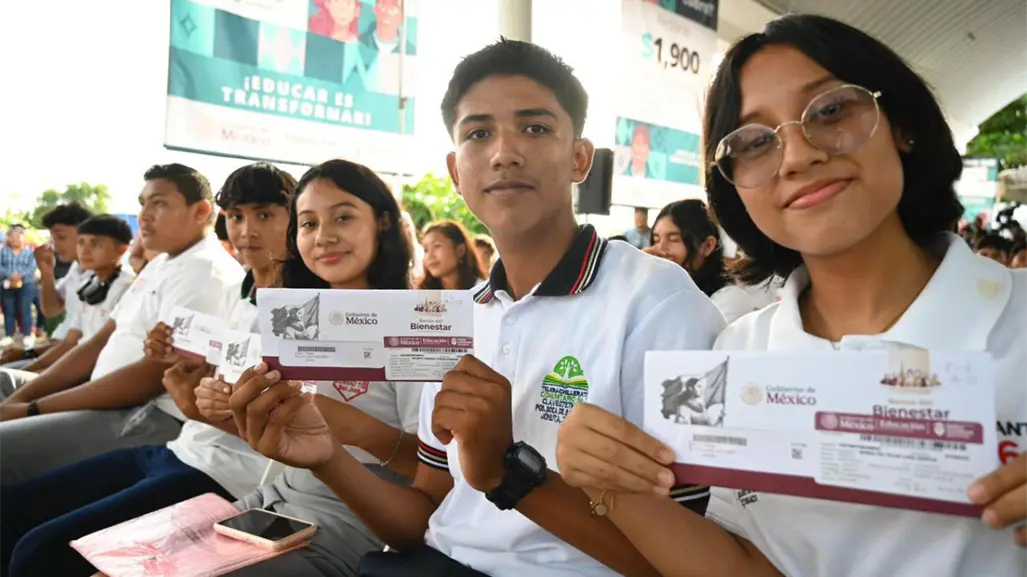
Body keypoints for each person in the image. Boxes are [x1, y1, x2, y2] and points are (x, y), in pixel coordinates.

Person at [226, 40, 724, 577]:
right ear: (455, 171)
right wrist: (328, 457)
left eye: (535, 128)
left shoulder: (657, 302)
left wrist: (508, 472)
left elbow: (687, 560)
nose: (504, 152)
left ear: (580, 157)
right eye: (478, 133)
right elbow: (424, 516)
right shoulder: (453, 320)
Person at [554, 14, 1027, 576]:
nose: (798, 156)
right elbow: (751, 563)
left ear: (901, 123)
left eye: (829, 110)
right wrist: (609, 483)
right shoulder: (737, 356)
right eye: (755, 142)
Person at [0, 163, 296, 577]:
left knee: (38, 552)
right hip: (180, 449)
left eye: (264, 215)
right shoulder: (236, 290)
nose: (246, 230)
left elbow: (291, 431)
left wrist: (193, 401)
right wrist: (178, 363)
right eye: (236, 216)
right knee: (14, 514)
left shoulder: (298, 311)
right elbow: (202, 371)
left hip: (229, 474)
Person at [195, 159, 423, 576]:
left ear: (384, 222)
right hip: (275, 494)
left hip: (358, 513)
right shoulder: (291, 315)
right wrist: (230, 407)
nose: (324, 236)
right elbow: (281, 433)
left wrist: (347, 426)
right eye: (308, 223)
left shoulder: (417, 323)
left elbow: (433, 469)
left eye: (343, 217)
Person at [0, 164, 244, 485]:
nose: (144, 216)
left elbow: (154, 375)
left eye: (159, 203)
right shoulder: (161, 265)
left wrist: (32, 409)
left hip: (145, 413)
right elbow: (98, 341)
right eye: (143, 204)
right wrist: (18, 403)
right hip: (102, 396)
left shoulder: (205, 271)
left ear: (200, 211)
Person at [0, 215, 136, 394]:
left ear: (122, 250)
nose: (85, 250)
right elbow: (69, 341)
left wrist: (32, 373)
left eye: (95, 244)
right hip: (70, 362)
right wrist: (28, 363)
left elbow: (90, 348)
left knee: (6, 382)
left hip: (96, 376)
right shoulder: (91, 283)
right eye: (81, 243)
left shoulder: (127, 287)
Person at [1, 203, 93, 367]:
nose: (55, 244)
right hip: (56, 349)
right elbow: (51, 310)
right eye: (53, 238)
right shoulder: (76, 268)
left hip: (66, 357)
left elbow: (78, 344)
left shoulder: (102, 277)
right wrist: (46, 271)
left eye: (61, 237)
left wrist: (29, 357)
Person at [646, 199, 757, 323]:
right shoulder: (659, 290)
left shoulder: (730, 299)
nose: (660, 249)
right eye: (656, 240)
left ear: (707, 246)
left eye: (674, 239)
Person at [417, 220, 486, 290]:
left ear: (460, 251)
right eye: (426, 250)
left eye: (437, 246)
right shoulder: (419, 293)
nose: (430, 256)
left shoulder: (481, 291)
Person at [0, 224, 38, 343]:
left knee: (25, 308)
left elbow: (32, 267)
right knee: (8, 309)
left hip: (26, 283)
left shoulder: (30, 252)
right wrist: (9, 275)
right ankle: (9, 335)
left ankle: (27, 334)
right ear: (9, 238)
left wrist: (19, 275)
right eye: (13, 236)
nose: (16, 239)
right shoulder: (3, 251)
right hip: (7, 283)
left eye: (19, 236)